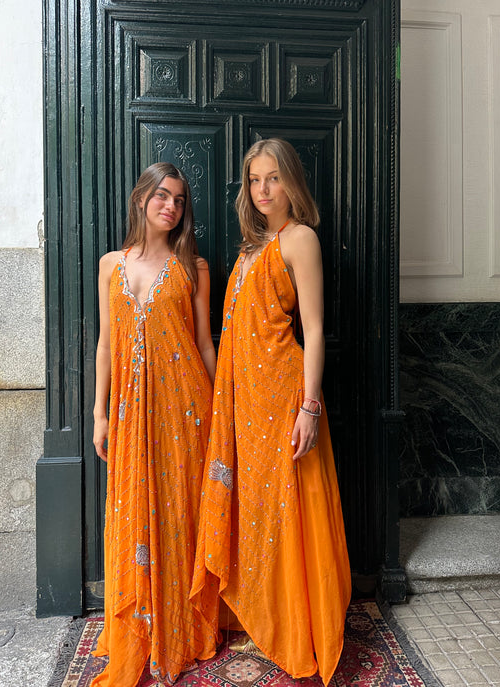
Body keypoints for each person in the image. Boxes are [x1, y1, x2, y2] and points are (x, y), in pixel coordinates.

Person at [190, 138, 351, 686]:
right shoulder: (249, 248)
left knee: (286, 510)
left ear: (291, 183)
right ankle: (263, 617)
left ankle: (298, 626)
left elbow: (314, 329)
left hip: (284, 397)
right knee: (257, 511)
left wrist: (309, 406)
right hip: (246, 405)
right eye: (255, 180)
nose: (262, 190)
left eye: (273, 178)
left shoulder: (299, 239)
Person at [92, 162, 217, 686]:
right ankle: (139, 620)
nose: (171, 206)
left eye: (180, 201)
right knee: (131, 510)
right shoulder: (109, 265)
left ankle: (180, 623)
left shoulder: (195, 267)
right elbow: (105, 343)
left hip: (183, 411)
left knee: (178, 512)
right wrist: (99, 413)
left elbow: (205, 343)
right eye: (163, 196)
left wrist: (221, 412)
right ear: (142, 198)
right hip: (128, 414)